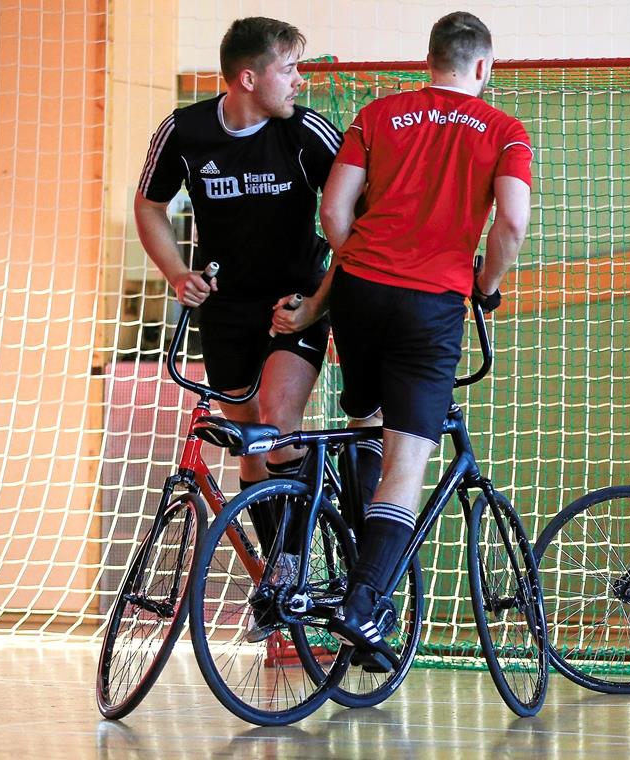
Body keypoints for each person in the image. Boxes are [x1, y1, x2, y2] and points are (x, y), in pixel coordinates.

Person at [318, 11, 532, 670]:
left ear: (429, 59)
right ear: (483, 67)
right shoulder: (504, 131)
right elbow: (512, 224)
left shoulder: (378, 113)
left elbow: (332, 210)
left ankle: (354, 565)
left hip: (356, 291)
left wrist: (364, 262)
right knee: (406, 461)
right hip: (431, 302)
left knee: (363, 424)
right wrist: (485, 284)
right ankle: (364, 605)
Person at [134, 17, 346, 639]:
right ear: (248, 78)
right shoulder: (185, 130)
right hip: (226, 308)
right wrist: (178, 273)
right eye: (289, 68)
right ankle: (286, 559)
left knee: (275, 423)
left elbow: (361, 213)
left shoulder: (304, 132)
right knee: (248, 439)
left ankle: (291, 569)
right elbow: (149, 206)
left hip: (296, 298)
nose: (299, 80)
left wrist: (320, 299)